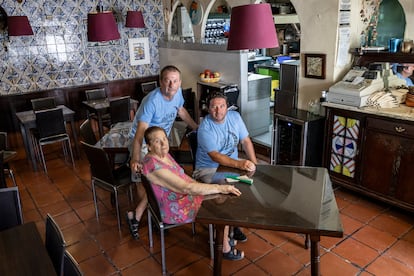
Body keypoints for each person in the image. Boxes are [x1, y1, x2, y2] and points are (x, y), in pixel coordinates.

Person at [142, 126, 245, 260]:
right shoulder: (155, 166)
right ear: (149, 146)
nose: (163, 143)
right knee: (221, 204)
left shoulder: (163, 155)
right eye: (157, 141)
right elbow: (186, 188)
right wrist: (219, 188)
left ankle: (219, 237)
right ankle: (223, 247)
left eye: (164, 139)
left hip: (182, 197)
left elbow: (184, 177)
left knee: (221, 196)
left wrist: (205, 187)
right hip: (176, 207)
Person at [126, 65, 198, 240]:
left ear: (179, 83)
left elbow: (181, 112)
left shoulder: (178, 93)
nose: (171, 85)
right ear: (160, 82)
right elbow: (139, 134)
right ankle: (147, 216)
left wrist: (197, 128)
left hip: (161, 144)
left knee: (164, 180)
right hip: (144, 143)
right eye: (167, 80)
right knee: (148, 182)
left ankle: (139, 215)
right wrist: (135, 159)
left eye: (175, 81)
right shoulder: (153, 101)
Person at [193, 92, 257, 243]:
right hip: (208, 169)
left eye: (222, 106)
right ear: (208, 109)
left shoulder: (235, 117)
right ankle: (221, 236)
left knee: (249, 186)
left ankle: (234, 225)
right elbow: (216, 157)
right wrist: (241, 164)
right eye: (214, 107)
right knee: (223, 196)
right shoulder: (205, 128)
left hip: (230, 167)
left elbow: (246, 142)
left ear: (227, 107)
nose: (218, 110)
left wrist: (255, 164)